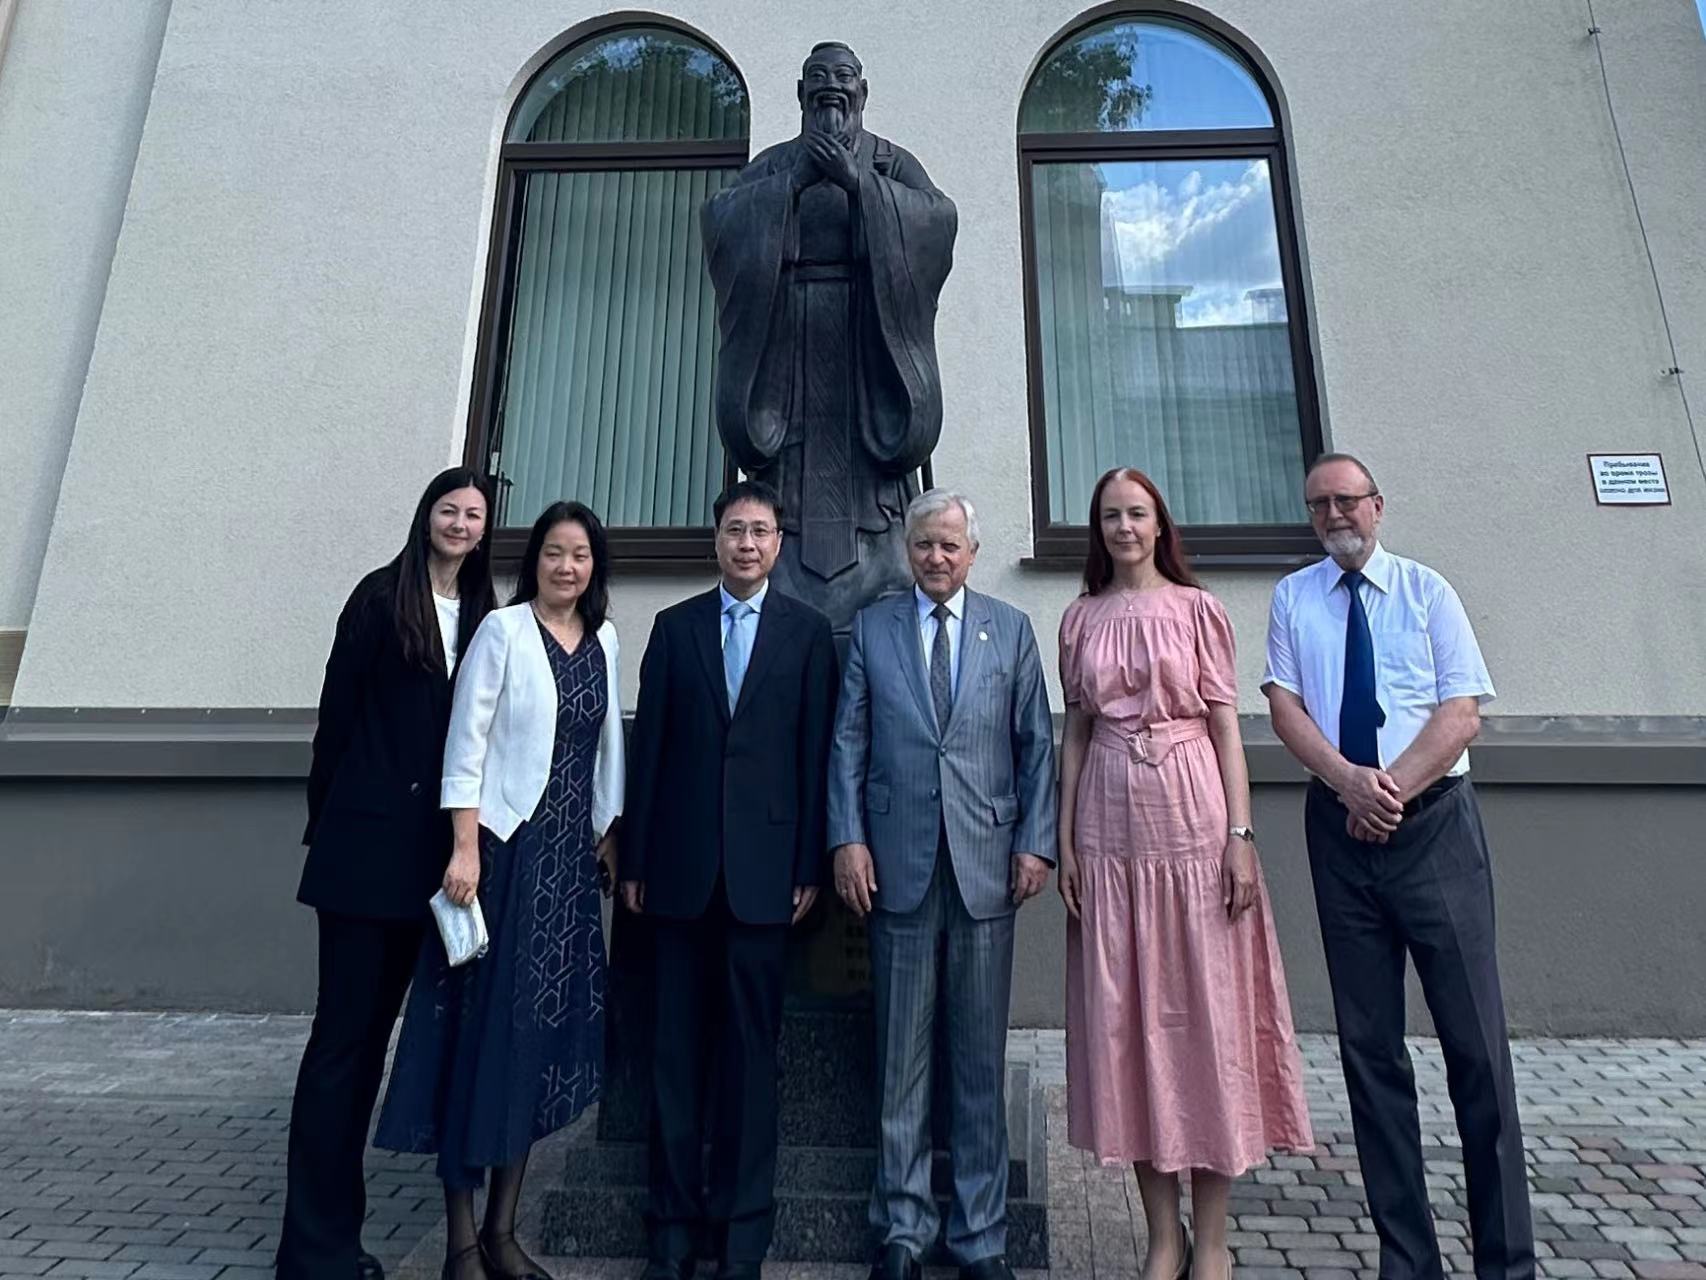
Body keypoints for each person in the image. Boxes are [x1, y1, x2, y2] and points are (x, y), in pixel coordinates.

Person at [1262, 453, 1534, 1280]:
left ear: (1377, 506)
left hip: (1434, 832)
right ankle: (1407, 1261)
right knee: (1370, 1052)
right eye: (1318, 505)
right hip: (1339, 835)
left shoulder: (1428, 592)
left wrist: (1387, 791)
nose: (1333, 516)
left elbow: (1461, 713)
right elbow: (1284, 706)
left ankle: (1506, 1263)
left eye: (1346, 500)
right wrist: (1348, 783)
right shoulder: (1293, 598)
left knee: (1476, 1050)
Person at [1056, 468, 1313, 1280]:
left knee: (1206, 1021)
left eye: (1137, 513)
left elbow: (1227, 730)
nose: (1124, 527)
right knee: (1129, 1027)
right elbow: (1075, 737)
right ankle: (1162, 1238)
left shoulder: (1200, 610)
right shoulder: (1080, 618)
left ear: (1160, 524)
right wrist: (1065, 842)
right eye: (1110, 516)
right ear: (1097, 530)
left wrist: (1241, 835)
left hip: (1195, 826)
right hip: (1110, 833)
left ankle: (1214, 1240)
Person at [374, 501, 625, 1280]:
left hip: (567, 875)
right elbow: (466, 742)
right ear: (534, 560)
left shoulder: (606, 640)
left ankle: (503, 1231)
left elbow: (605, 748)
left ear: (595, 567)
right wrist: (462, 847)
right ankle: (461, 1243)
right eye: (553, 552)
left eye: (579, 555)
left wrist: (608, 833)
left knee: (534, 1047)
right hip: (501, 861)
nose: (566, 567)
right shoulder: (503, 632)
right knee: (477, 1040)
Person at [828, 488, 1056, 1280]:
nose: (936, 557)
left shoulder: (1010, 629)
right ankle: (902, 1229)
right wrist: (849, 839)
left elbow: (1036, 746)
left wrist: (1036, 844)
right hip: (896, 866)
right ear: (908, 549)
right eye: (924, 544)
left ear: (972, 553)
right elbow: (848, 741)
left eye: (950, 545)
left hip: (987, 865)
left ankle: (980, 1236)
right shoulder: (875, 628)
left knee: (979, 1062)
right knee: (901, 1060)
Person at [279, 467, 497, 1280]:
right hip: (363, 858)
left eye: (474, 515)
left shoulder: (485, 613)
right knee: (341, 1047)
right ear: (426, 516)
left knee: (377, 1050)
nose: (460, 524)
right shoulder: (379, 599)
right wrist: (332, 827)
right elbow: (335, 724)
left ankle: (340, 1235)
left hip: (435, 870)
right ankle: (313, 1250)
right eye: (449, 510)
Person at [621, 479, 840, 1280]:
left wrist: (809, 862)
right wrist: (636, 860)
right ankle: (671, 1232)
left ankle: (742, 1236)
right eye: (736, 530)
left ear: (780, 544)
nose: (748, 544)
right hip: (678, 874)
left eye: (761, 532)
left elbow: (817, 755)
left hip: (766, 878)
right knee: (673, 1059)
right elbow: (649, 752)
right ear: (716, 540)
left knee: (750, 1060)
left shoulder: (808, 634)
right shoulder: (674, 628)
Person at [700, 41, 957, 630]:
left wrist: (859, 183)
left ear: (862, 90)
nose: (831, 87)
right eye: (818, 77)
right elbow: (721, 221)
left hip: (870, 356)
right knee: (785, 470)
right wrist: (790, 185)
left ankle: (881, 576)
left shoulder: (891, 163)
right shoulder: (773, 166)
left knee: (877, 491)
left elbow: (937, 222)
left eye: (843, 76)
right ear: (801, 93)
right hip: (788, 355)